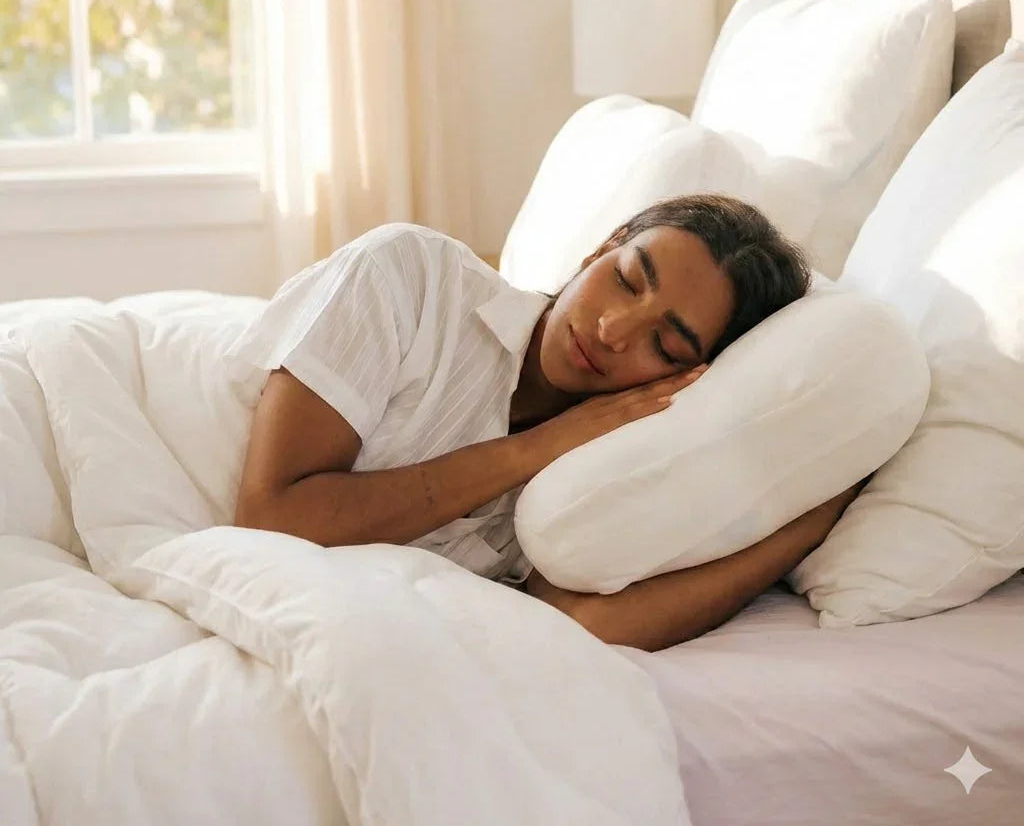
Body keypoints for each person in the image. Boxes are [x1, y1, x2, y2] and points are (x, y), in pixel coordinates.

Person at [229, 194, 861, 652]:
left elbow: (578, 627)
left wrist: (808, 521)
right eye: (623, 280)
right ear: (598, 251)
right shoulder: (411, 274)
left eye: (665, 348)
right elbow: (273, 518)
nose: (613, 330)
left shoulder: (619, 464)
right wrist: (534, 449)